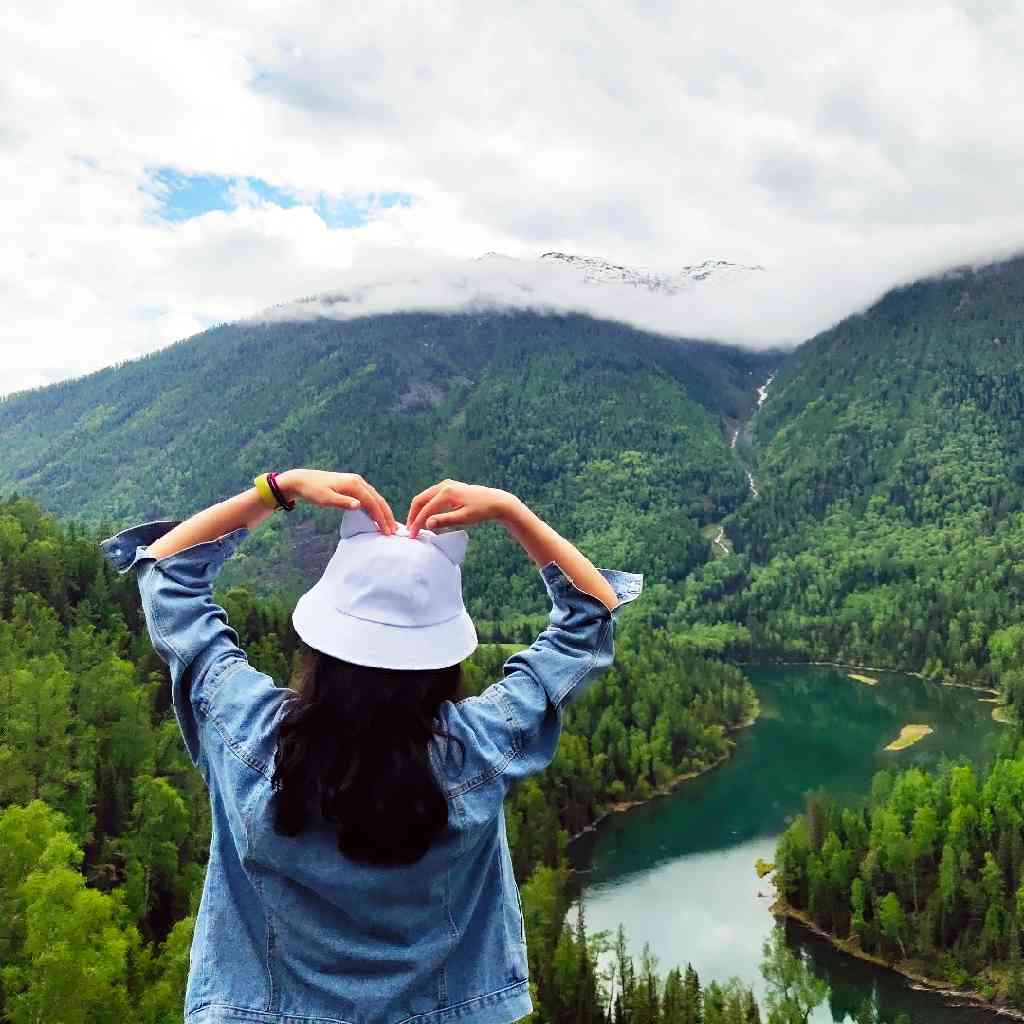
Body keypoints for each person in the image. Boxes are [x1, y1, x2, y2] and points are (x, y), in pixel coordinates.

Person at [101, 470, 642, 1024]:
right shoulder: (479, 748)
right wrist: (510, 510)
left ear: (318, 643)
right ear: (443, 662)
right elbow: (590, 614)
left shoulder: (247, 731)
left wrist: (278, 489)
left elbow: (166, 574)